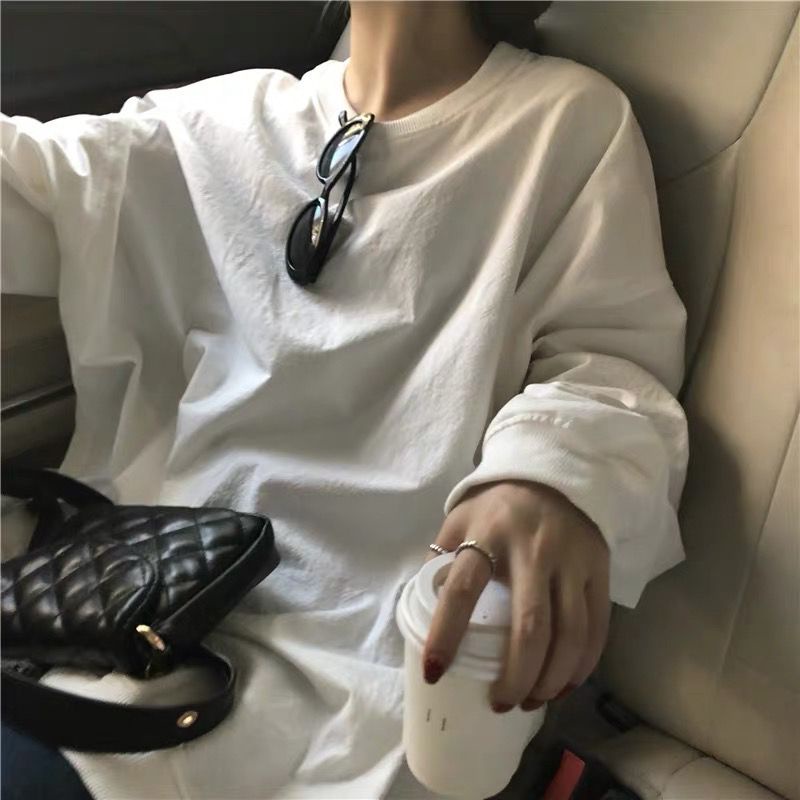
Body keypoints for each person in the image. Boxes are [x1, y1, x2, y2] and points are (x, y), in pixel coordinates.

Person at [0, 1, 688, 798]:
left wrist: (547, 478)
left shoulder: (566, 122)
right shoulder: (223, 119)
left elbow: (608, 364)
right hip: (113, 595)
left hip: (361, 661)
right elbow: (35, 182)